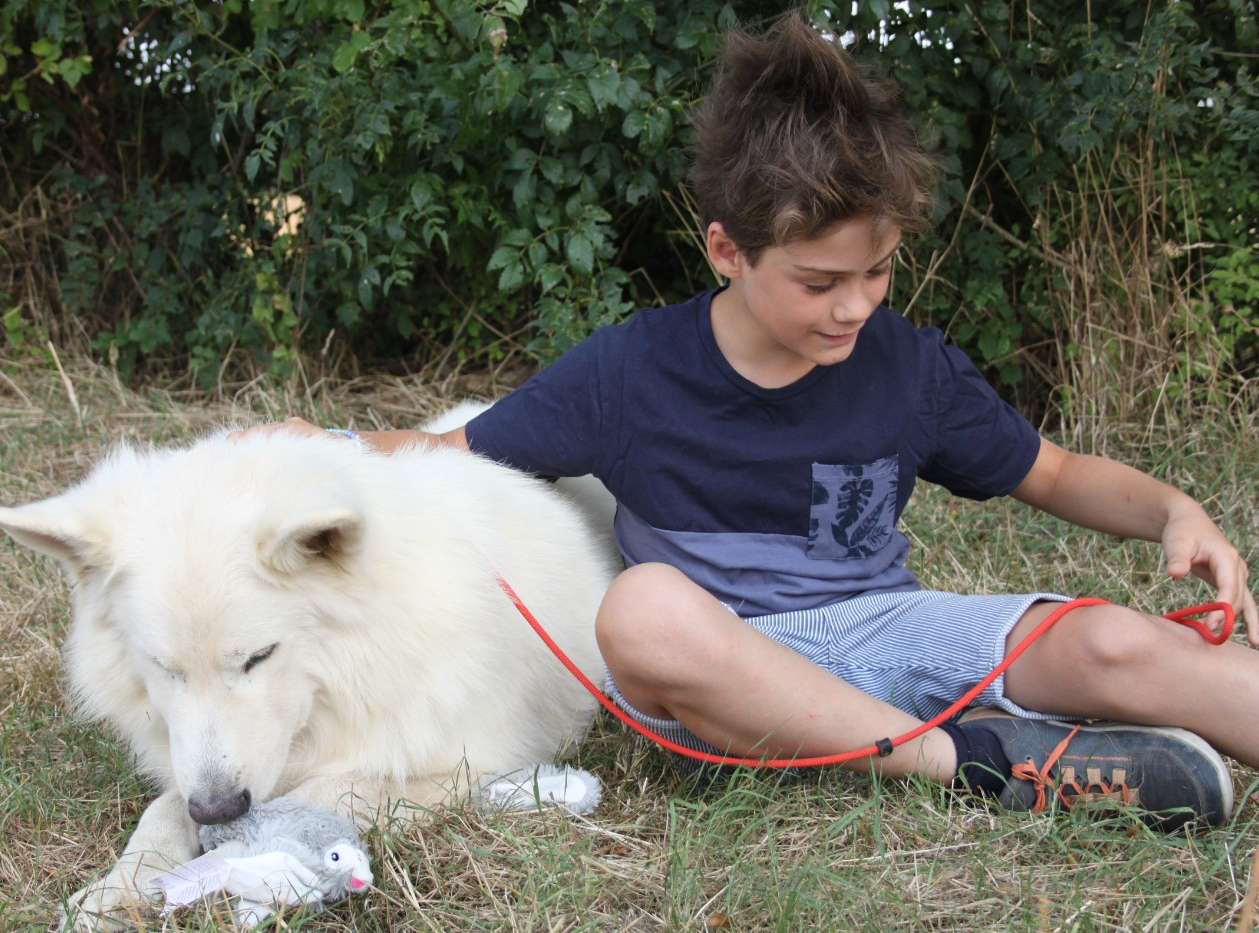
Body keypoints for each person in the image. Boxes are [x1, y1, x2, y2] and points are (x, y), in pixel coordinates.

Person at [249, 13, 1256, 830]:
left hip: (886, 627)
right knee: (639, 611)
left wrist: (1174, 510)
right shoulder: (630, 371)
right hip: (728, 671)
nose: (855, 306)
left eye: (877, 271)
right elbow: (448, 453)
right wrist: (328, 450)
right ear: (726, 250)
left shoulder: (906, 366)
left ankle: (1055, 743)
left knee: (1109, 641)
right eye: (819, 282)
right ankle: (972, 762)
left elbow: (1054, 473)